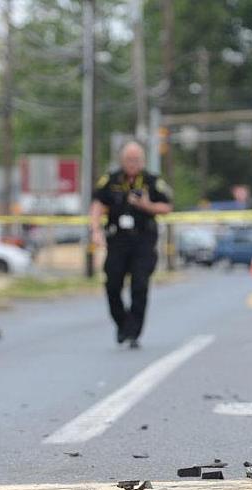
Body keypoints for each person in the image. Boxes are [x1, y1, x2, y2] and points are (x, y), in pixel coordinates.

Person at [89, 141, 173, 348]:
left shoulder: (152, 181)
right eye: (129, 159)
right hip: (118, 239)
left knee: (140, 285)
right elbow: (98, 205)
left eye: (136, 160)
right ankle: (122, 323)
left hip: (143, 240)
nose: (133, 163)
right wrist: (95, 230)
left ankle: (133, 332)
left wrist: (147, 205)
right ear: (122, 160)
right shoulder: (111, 180)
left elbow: (167, 206)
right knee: (112, 284)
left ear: (143, 161)